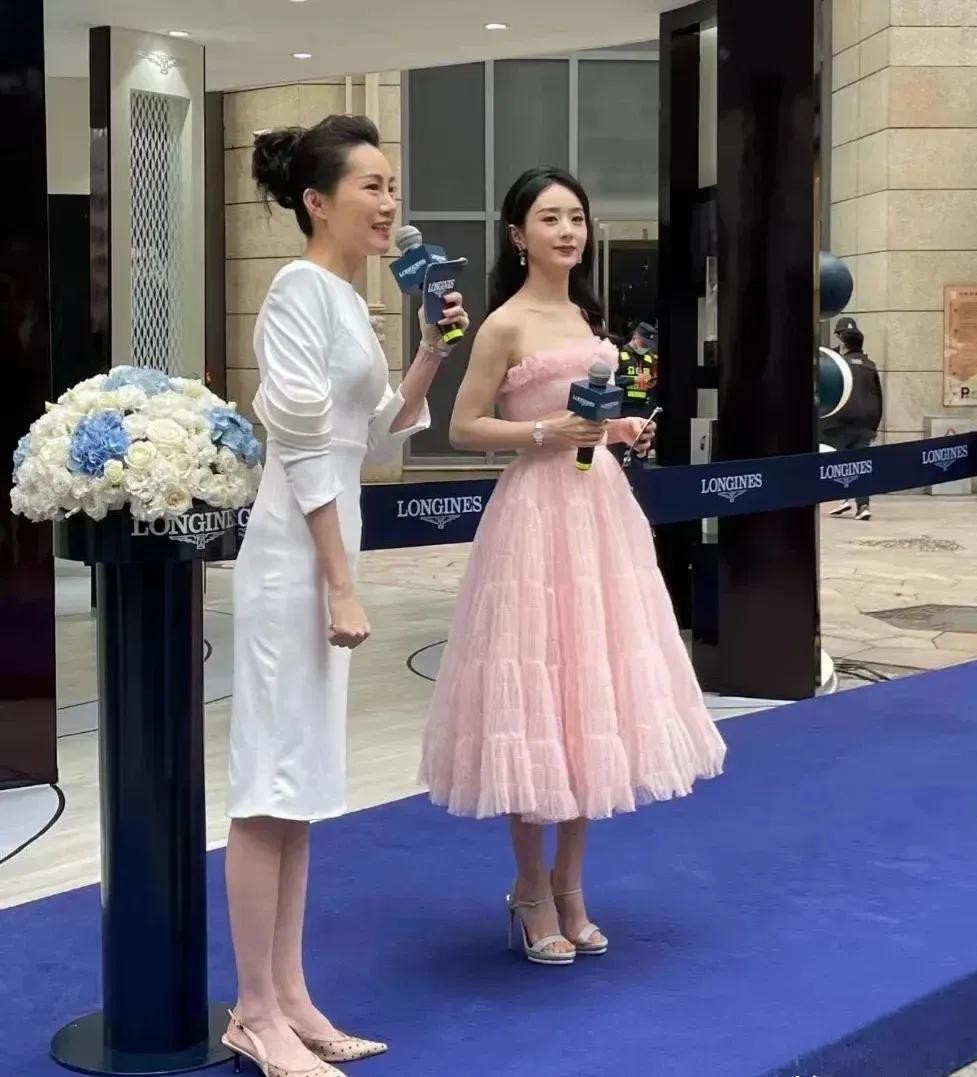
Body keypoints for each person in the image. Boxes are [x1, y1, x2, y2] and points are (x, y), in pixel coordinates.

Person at [419, 166, 726, 966]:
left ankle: (571, 882)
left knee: (591, 688)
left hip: (599, 509)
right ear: (517, 235)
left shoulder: (588, 317)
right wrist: (544, 433)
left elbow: (592, 414)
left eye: (576, 217)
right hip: (534, 514)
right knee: (534, 691)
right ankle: (530, 887)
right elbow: (463, 426)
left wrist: (619, 429)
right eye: (549, 218)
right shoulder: (504, 324)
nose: (566, 230)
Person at [224, 115, 469, 1077]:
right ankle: (254, 1009)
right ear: (315, 202)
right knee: (268, 783)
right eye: (370, 185)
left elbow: (370, 436)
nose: (388, 202)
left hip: (326, 546)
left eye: (391, 184)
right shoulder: (297, 289)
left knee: (300, 786)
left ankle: (289, 996)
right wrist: (337, 581)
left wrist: (431, 350)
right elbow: (298, 446)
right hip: (293, 554)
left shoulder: (347, 302)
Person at [823, 326, 882, 521]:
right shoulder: (870, 365)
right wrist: (875, 425)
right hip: (866, 422)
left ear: (844, 345)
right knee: (861, 464)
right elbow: (879, 397)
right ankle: (862, 505)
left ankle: (845, 497)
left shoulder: (839, 366)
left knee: (840, 462)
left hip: (841, 422)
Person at [615, 321, 658, 418]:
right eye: (643, 343)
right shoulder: (618, 354)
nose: (646, 347)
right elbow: (611, 381)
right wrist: (633, 380)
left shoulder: (650, 358)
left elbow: (653, 378)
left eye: (649, 345)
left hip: (643, 408)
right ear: (635, 336)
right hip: (622, 407)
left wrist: (652, 383)